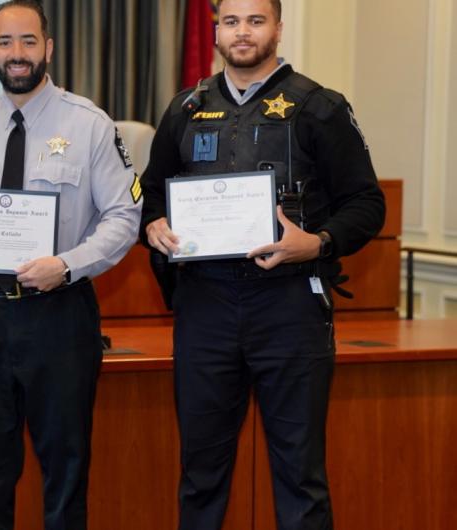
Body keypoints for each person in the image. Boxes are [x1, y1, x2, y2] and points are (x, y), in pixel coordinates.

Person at [140, 0, 386, 529]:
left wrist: (317, 243)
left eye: (256, 21)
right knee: (200, 474)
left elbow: (367, 204)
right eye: (231, 22)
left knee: (300, 477)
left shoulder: (319, 106)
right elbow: (151, 193)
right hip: (205, 307)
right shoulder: (185, 108)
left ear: (278, 28)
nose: (243, 32)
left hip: (289, 305)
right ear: (216, 32)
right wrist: (154, 224)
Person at [0, 1, 142, 528]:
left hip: (60, 315)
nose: (16, 53)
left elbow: (124, 217)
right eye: (5, 42)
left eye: (27, 41)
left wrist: (66, 265)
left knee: (65, 471)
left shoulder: (89, 124)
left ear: (48, 47)